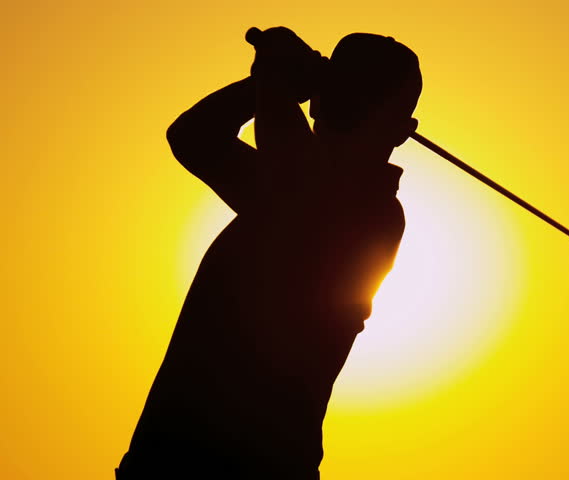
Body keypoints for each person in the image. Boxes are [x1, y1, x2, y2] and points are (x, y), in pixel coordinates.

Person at [115, 27, 422, 479]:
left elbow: (293, 173)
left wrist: (275, 82)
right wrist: (264, 86)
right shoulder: (278, 186)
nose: (346, 109)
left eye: (363, 98)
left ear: (402, 132)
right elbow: (192, 135)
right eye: (343, 89)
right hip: (165, 457)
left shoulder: (373, 215)